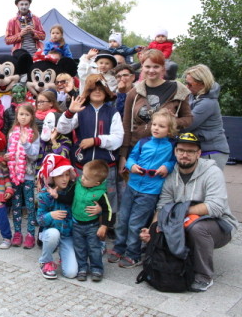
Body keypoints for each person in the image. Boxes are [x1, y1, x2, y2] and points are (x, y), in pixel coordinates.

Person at [140, 132, 237, 292]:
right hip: (183, 222)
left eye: (190, 151)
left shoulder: (212, 172)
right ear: (175, 151)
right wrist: (152, 229)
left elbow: (215, 207)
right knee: (159, 227)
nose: (185, 155)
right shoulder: (171, 174)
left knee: (197, 228)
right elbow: (163, 206)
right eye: (181, 150)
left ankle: (204, 276)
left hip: (219, 225)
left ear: (198, 153)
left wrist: (179, 213)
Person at [109, 109, 177, 268]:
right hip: (132, 185)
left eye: (161, 126)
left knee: (136, 223)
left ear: (169, 130)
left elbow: (174, 161)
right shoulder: (143, 142)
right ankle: (119, 247)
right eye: (154, 124)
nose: (156, 128)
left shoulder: (171, 146)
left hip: (150, 190)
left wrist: (167, 166)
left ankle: (133, 253)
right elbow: (132, 157)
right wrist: (131, 165)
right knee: (123, 218)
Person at [57, 74, 124, 214]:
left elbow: (118, 138)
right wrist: (69, 112)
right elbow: (62, 129)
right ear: (87, 91)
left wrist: (95, 141)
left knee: (108, 198)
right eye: (93, 88)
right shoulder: (80, 110)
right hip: (83, 164)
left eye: (101, 88)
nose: (97, 91)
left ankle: (108, 223)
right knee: (82, 196)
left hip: (106, 167)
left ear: (106, 91)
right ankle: (83, 221)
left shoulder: (113, 112)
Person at [119, 49, 192, 173]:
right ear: (142, 67)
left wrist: (171, 122)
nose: (151, 70)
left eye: (156, 66)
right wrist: (123, 155)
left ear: (163, 68)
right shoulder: (134, 92)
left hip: (164, 153)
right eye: (147, 66)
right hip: (137, 151)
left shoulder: (177, 90)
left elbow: (188, 119)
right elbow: (126, 124)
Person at [71, 159, 114, 282]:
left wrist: (104, 226)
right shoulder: (78, 184)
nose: (82, 178)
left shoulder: (101, 194)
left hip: (92, 226)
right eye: (83, 175)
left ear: (96, 183)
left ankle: (97, 268)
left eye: (86, 178)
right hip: (76, 224)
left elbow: (108, 210)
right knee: (79, 248)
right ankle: (82, 268)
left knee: (94, 248)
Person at [36, 155, 78, 279]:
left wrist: (98, 209)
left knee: (71, 273)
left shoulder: (72, 191)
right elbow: (39, 220)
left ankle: (63, 257)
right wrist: (51, 215)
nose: (65, 179)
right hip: (50, 232)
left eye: (67, 175)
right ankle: (45, 261)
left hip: (67, 235)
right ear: (53, 177)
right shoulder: (44, 194)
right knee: (53, 234)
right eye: (60, 175)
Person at [6, 103, 40, 249]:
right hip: (14, 176)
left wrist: (26, 144)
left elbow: (34, 155)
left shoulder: (35, 134)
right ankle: (17, 233)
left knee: (30, 207)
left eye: (27, 114)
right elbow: (10, 150)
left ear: (32, 117)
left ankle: (31, 234)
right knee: (16, 205)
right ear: (17, 116)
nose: (23, 117)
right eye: (21, 114)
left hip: (28, 176)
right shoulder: (12, 133)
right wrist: (7, 157)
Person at [183, 65, 229, 170]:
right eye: (186, 83)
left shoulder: (208, 103)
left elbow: (187, 125)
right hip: (200, 148)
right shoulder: (193, 96)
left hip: (212, 151)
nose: (186, 87)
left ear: (202, 84)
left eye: (190, 84)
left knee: (207, 180)